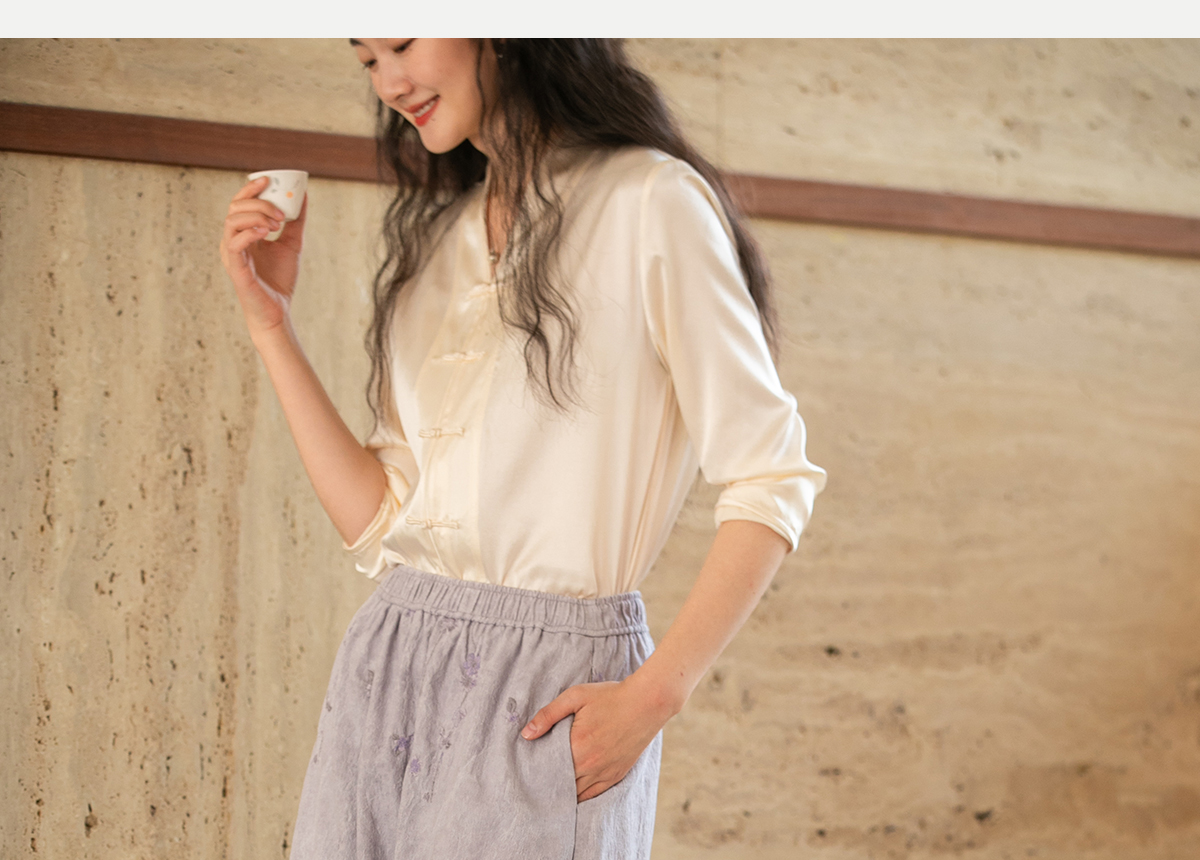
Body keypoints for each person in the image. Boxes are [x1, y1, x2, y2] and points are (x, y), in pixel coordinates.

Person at [219, 38, 826, 860]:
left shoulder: (649, 202)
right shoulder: (439, 242)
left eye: (403, 41)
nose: (390, 82)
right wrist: (271, 324)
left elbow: (772, 474)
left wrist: (653, 697)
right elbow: (380, 522)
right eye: (366, 60)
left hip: (546, 693)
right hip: (388, 669)